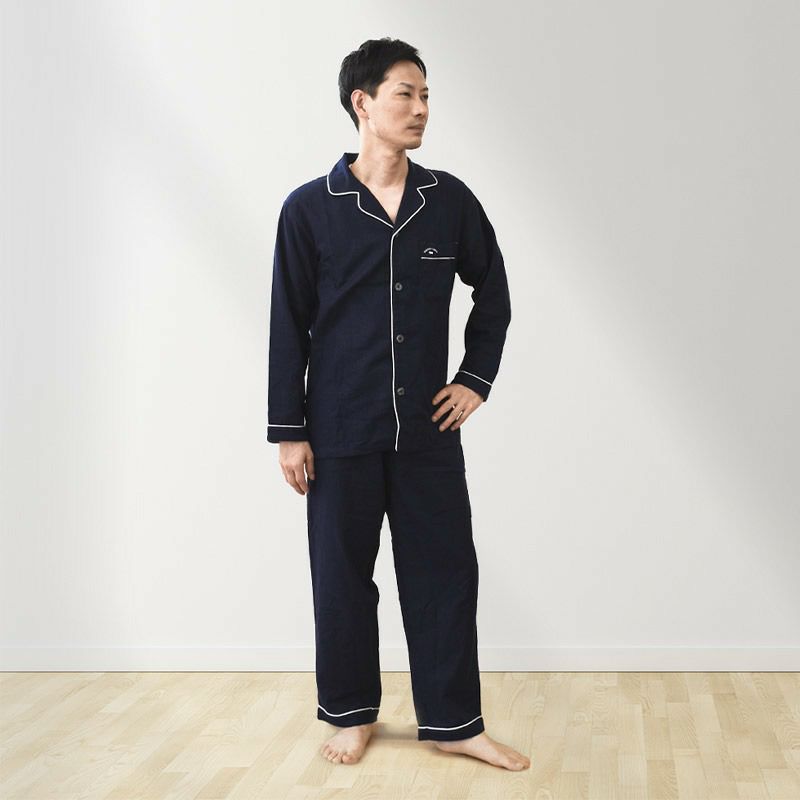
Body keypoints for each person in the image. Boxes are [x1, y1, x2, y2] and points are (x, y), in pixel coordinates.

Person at [266, 37, 528, 771]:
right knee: (342, 578)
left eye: (426, 95)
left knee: (445, 575)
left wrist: (474, 379)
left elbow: (494, 293)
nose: (421, 109)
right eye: (406, 94)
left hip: (427, 434)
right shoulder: (309, 209)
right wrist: (289, 432)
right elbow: (288, 322)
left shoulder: (449, 202)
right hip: (339, 430)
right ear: (363, 103)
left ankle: (454, 723)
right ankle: (350, 714)